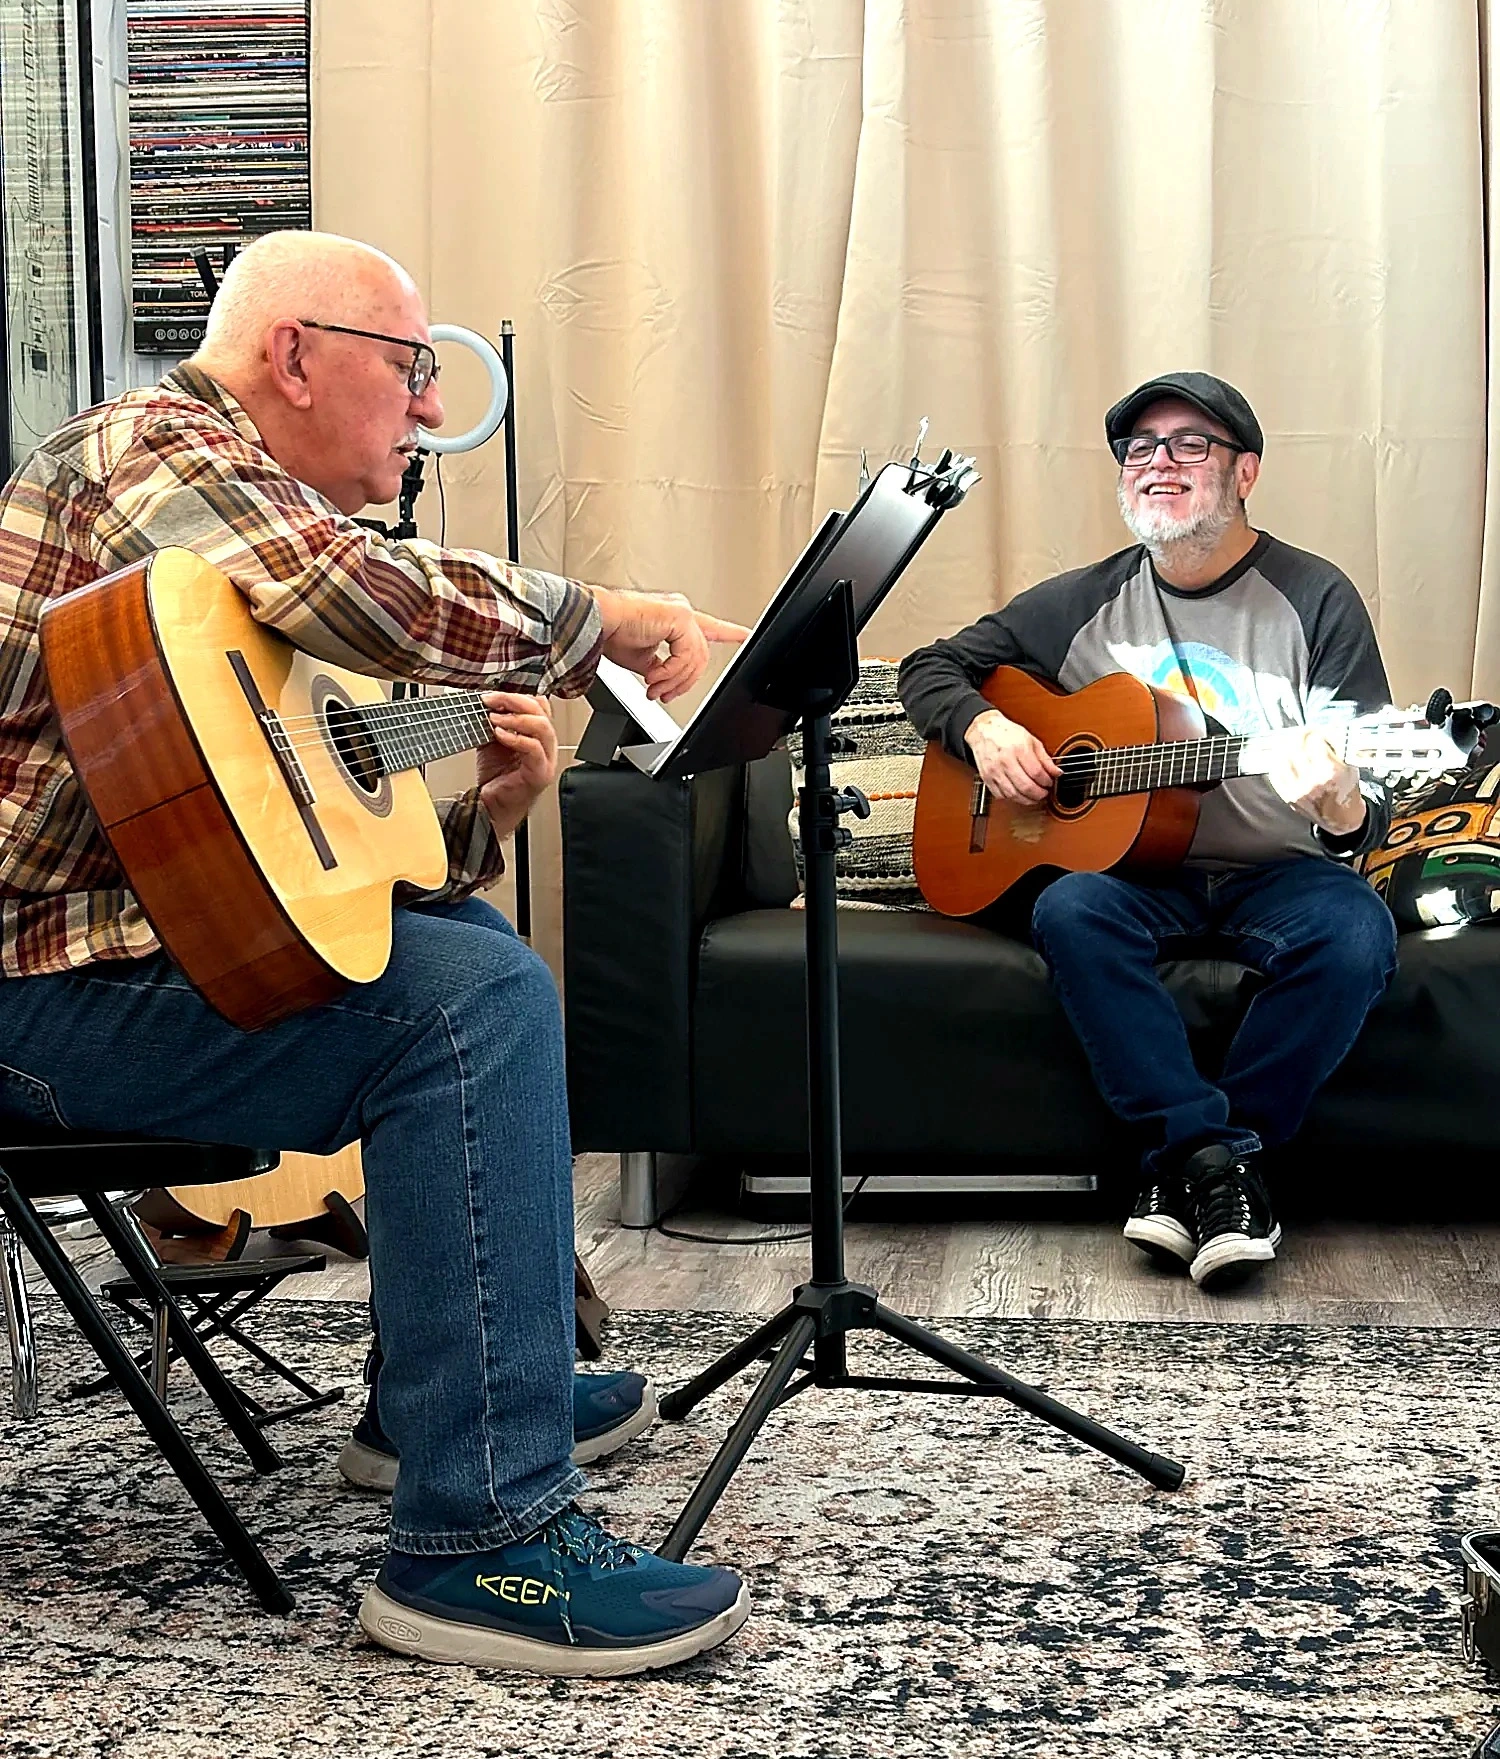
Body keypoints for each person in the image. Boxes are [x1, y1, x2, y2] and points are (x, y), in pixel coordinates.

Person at [0, 229, 752, 1675]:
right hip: (36, 995)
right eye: (409, 369)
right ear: (295, 353)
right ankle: (479, 1542)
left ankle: (443, 1396)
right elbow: (354, 594)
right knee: (468, 1006)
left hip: (132, 954)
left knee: (463, 949)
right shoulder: (144, 454)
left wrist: (488, 810)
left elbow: (312, 850)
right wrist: (603, 624)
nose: (425, 407)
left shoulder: (240, 546)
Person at [899, 371, 1398, 1292]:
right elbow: (930, 668)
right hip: (1138, 875)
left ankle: (1196, 1163)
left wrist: (1337, 803)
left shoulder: (1316, 598)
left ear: (1244, 473)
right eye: (1140, 449)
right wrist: (985, 726)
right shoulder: (1081, 600)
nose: (1158, 464)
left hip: (1276, 874)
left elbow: (1363, 814)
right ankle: (1223, 1168)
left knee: (1357, 931)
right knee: (1073, 909)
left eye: (1189, 446)